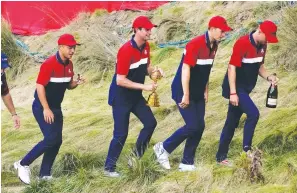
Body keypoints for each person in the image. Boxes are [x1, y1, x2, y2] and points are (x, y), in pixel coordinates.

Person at [154, 16, 232, 171]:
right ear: (212, 28)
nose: (224, 34)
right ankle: (163, 148)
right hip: (182, 90)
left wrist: (206, 90)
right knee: (193, 125)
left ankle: (187, 162)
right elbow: (185, 69)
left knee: (200, 126)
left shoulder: (214, 45)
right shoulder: (194, 44)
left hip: (198, 91)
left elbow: (206, 70)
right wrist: (186, 94)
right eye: (222, 31)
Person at [14, 34, 85, 184]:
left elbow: (68, 85)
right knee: (51, 138)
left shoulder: (69, 65)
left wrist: (76, 82)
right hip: (41, 107)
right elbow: (39, 86)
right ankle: (22, 164)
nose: (72, 50)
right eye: (69, 47)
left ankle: (44, 174)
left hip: (56, 107)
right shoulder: (49, 64)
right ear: (60, 47)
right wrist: (46, 108)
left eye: (74, 47)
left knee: (57, 141)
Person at [104, 16, 163, 177]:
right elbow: (120, 80)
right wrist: (145, 86)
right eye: (147, 29)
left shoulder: (146, 46)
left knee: (150, 123)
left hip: (135, 97)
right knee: (121, 134)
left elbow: (147, 67)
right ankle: (109, 168)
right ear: (137, 30)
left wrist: (154, 73)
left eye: (151, 29)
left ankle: (135, 158)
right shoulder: (125, 50)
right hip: (121, 98)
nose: (150, 32)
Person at [216, 20, 279, 166]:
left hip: (246, 88)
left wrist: (269, 77)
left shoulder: (263, 44)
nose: (268, 41)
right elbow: (231, 68)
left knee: (231, 123)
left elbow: (260, 66)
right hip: (236, 87)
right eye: (268, 37)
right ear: (260, 30)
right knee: (253, 114)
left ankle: (220, 157)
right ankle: (247, 152)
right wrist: (233, 93)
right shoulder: (242, 43)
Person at [1, 53, 21, 129]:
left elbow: (5, 94)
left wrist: (14, 114)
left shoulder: (1, 75)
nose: (2, 71)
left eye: (3, 68)